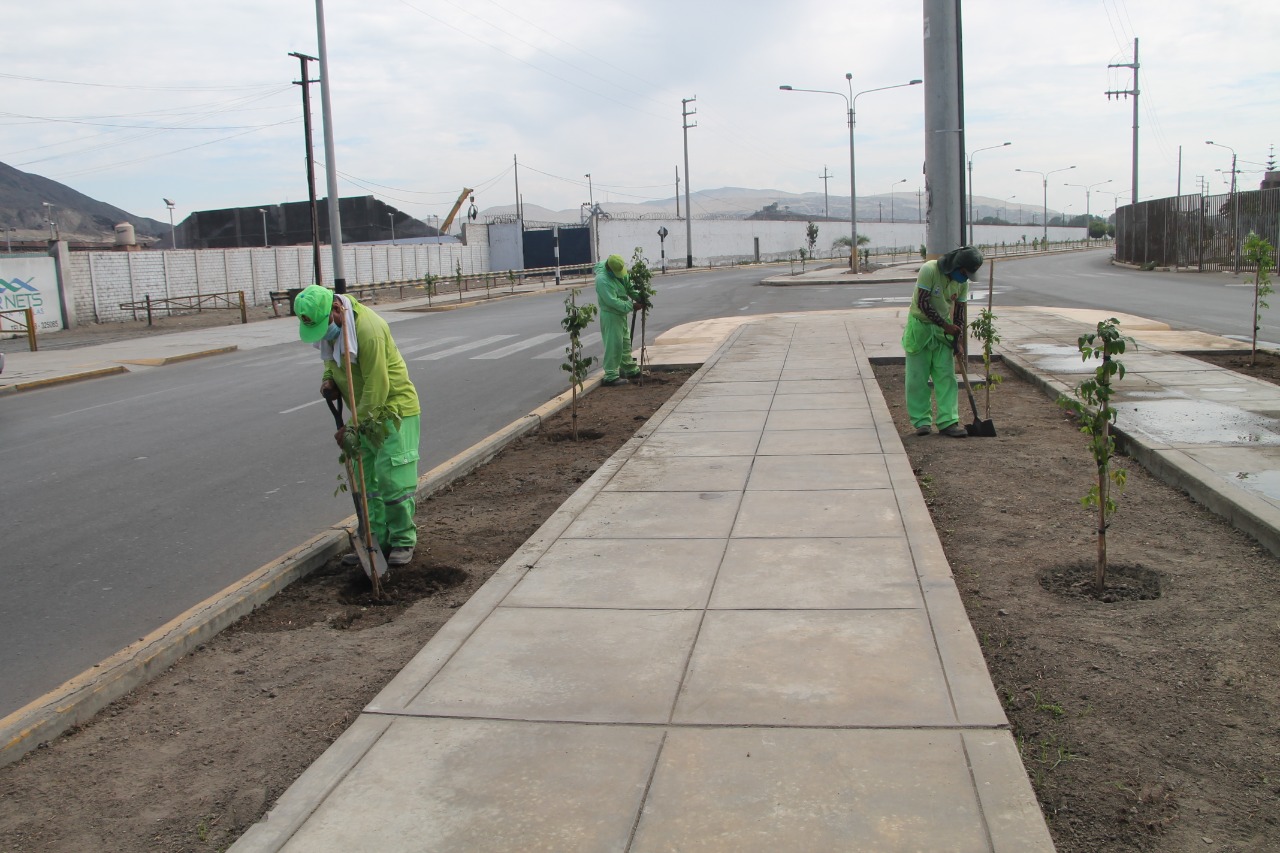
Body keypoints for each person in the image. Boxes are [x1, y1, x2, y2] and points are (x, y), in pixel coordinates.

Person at [294, 284, 421, 567]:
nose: (322, 335)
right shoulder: (334, 328)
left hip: (393, 409)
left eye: (323, 326)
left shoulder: (368, 330)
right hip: (363, 414)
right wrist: (328, 378)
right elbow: (331, 360)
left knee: (391, 480)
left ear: (337, 310)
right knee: (366, 481)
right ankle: (374, 542)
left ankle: (402, 539)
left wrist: (351, 427)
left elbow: (378, 387)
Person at [901, 245, 984, 438]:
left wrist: (958, 340)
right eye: (964, 273)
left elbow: (960, 312)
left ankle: (948, 421)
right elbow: (923, 303)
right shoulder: (929, 270)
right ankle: (921, 421)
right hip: (919, 329)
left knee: (946, 377)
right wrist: (945, 326)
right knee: (916, 378)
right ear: (956, 265)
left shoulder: (962, 283)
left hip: (942, 334)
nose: (965, 278)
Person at [594, 253, 642, 386]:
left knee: (625, 343)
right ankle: (611, 376)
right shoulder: (602, 279)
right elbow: (612, 302)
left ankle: (630, 369)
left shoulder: (619, 271)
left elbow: (628, 286)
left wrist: (639, 296)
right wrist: (631, 306)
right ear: (610, 269)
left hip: (621, 313)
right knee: (614, 345)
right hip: (611, 314)